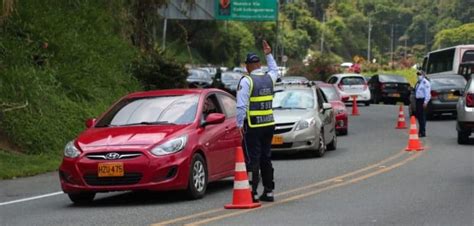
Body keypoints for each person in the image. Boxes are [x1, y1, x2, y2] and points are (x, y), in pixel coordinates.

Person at [236, 40, 279, 202]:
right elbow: (275, 69)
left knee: (252, 158)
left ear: (248, 66)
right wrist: (269, 54)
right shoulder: (270, 78)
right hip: (269, 124)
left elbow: (241, 106)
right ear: (259, 64)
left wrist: (239, 124)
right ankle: (268, 191)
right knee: (266, 157)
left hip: (253, 126)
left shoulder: (247, 81)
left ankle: (252, 193)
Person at [414, 70, 431, 137]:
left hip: (422, 101)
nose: (418, 76)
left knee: (422, 117)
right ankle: (420, 131)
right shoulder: (419, 82)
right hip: (418, 100)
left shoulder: (425, 83)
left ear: (423, 75)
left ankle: (423, 132)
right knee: (419, 116)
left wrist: (425, 102)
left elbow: (427, 93)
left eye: (420, 74)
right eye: (418, 75)